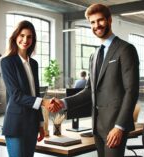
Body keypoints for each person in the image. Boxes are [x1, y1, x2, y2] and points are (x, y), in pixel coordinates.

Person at [52, 4, 139, 157]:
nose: (96, 25)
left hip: (115, 126)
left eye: (100, 21)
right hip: (97, 126)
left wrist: (119, 126)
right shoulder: (94, 55)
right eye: (92, 22)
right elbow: (88, 91)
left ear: (109, 20)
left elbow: (131, 91)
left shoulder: (125, 49)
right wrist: (64, 103)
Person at [0, 20, 61, 157]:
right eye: (22, 35)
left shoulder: (33, 64)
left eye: (29, 36)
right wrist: (44, 102)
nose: (25, 40)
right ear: (15, 36)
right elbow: (16, 95)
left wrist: (40, 123)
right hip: (16, 124)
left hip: (32, 124)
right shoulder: (7, 62)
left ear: (33, 39)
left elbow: (35, 93)